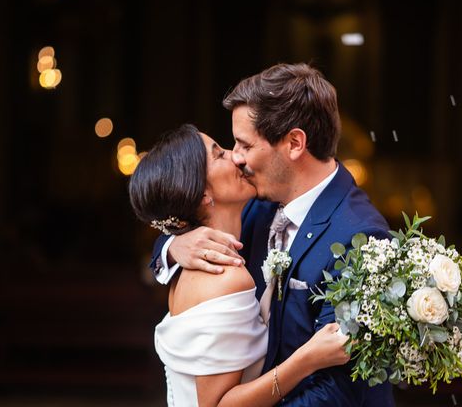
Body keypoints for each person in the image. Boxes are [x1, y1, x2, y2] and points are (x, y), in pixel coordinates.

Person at [152, 63, 395, 406]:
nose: (236, 158)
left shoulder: (360, 238)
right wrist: (176, 245)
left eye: (244, 144)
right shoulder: (251, 201)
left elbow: (337, 391)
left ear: (295, 143)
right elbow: (181, 213)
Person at [129, 124, 350, 407]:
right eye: (219, 155)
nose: (236, 157)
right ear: (202, 196)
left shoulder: (193, 262)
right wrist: (308, 359)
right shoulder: (224, 278)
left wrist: (173, 244)